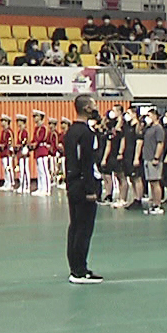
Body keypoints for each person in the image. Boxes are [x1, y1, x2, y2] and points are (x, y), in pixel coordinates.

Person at [63, 96, 104, 283]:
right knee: (84, 228)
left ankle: (76, 267)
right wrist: (90, 189)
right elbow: (86, 162)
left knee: (75, 226)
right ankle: (79, 270)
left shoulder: (71, 131)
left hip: (72, 183)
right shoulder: (86, 133)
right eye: (94, 105)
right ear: (87, 108)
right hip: (82, 184)